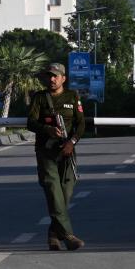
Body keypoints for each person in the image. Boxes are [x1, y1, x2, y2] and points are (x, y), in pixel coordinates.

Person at [27, 62, 85, 251]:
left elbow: (81, 124)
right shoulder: (40, 98)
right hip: (46, 151)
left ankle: (53, 235)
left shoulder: (72, 96)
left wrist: (72, 142)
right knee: (53, 191)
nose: (51, 79)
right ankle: (68, 235)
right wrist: (48, 129)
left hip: (67, 152)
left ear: (63, 78)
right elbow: (31, 122)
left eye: (55, 76)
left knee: (65, 194)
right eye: (49, 76)